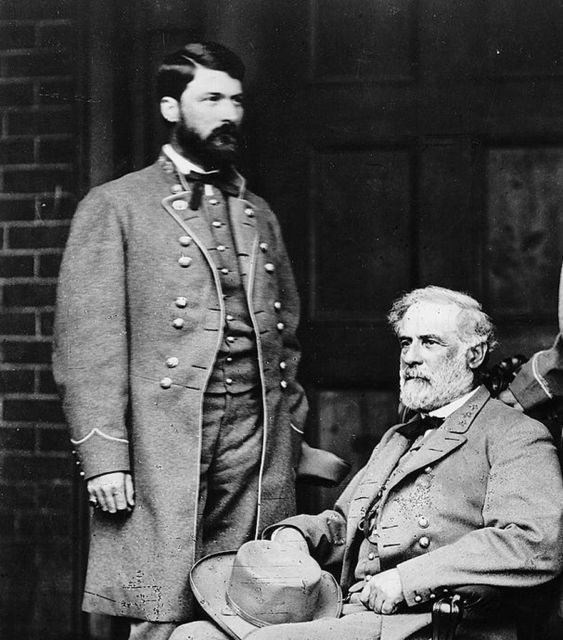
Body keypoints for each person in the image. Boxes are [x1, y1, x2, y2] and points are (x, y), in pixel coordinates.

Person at [52, 42, 309, 640]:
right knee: (159, 607)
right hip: (162, 439)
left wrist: (291, 430)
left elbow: (288, 336)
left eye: (236, 101)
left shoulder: (259, 212)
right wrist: (104, 457)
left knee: (249, 605)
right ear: (171, 107)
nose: (230, 114)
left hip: (256, 439)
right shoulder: (115, 207)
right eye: (212, 98)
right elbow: (88, 345)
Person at [172, 285, 563, 640]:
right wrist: (297, 535)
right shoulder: (400, 437)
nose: (410, 357)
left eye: (429, 343)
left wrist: (406, 580)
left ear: (473, 354)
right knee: (191, 636)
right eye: (406, 342)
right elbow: (346, 523)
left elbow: (533, 542)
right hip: (354, 610)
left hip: (433, 622)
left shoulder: (513, 433)